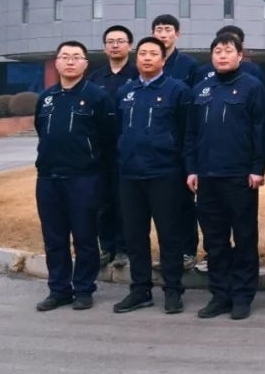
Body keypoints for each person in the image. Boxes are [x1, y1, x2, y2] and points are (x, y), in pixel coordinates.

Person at [185, 32, 265, 321]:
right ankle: (220, 294)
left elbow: (261, 130)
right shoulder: (201, 89)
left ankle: (243, 295)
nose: (222, 55)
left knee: (244, 237)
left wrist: (257, 168)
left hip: (240, 176)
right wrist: (192, 168)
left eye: (228, 50)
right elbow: (191, 134)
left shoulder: (252, 86)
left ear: (240, 56)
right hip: (207, 175)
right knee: (214, 240)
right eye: (217, 51)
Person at [34, 41, 116, 312]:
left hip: (84, 178)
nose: (70, 62)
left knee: (85, 237)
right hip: (48, 178)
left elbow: (108, 137)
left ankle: (83, 288)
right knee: (54, 238)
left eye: (76, 57)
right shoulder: (46, 97)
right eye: (65, 57)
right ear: (56, 62)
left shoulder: (97, 97)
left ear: (85, 64)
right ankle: (59, 290)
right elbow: (41, 131)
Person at [112, 36, 192, 315]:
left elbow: (186, 133)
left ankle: (173, 290)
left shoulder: (177, 90)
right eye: (142, 53)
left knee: (170, 235)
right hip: (130, 174)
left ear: (163, 60)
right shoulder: (126, 92)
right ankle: (140, 289)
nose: (147, 58)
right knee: (135, 235)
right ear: (137, 59)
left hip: (165, 173)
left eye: (153, 54)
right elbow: (118, 130)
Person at [87, 24, 138, 270]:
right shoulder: (95, 78)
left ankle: (123, 248)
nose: (115, 45)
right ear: (105, 47)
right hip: (101, 150)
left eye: (120, 41)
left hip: (129, 149)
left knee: (124, 201)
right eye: (110, 42)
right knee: (102, 200)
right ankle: (106, 247)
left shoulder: (137, 75)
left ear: (130, 45)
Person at [151, 14, 199, 271]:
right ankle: (169, 253)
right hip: (156, 147)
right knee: (162, 206)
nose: (163, 34)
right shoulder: (148, 63)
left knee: (184, 202)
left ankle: (188, 251)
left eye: (167, 29)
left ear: (177, 34)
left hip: (182, 143)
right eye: (158, 29)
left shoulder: (188, 65)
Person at [194, 25, 265, 86]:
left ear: (242, 45)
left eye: (228, 50)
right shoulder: (203, 71)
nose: (223, 55)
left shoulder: (253, 71)